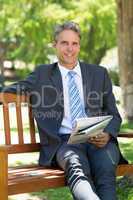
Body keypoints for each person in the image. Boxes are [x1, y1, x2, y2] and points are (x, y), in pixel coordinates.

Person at [3, 21, 123, 200]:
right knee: (77, 168)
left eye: (74, 43)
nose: (70, 49)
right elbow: (10, 91)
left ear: (79, 46)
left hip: (98, 139)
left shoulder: (99, 73)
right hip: (64, 143)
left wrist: (107, 134)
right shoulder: (42, 74)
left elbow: (114, 114)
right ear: (55, 45)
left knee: (106, 168)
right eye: (64, 43)